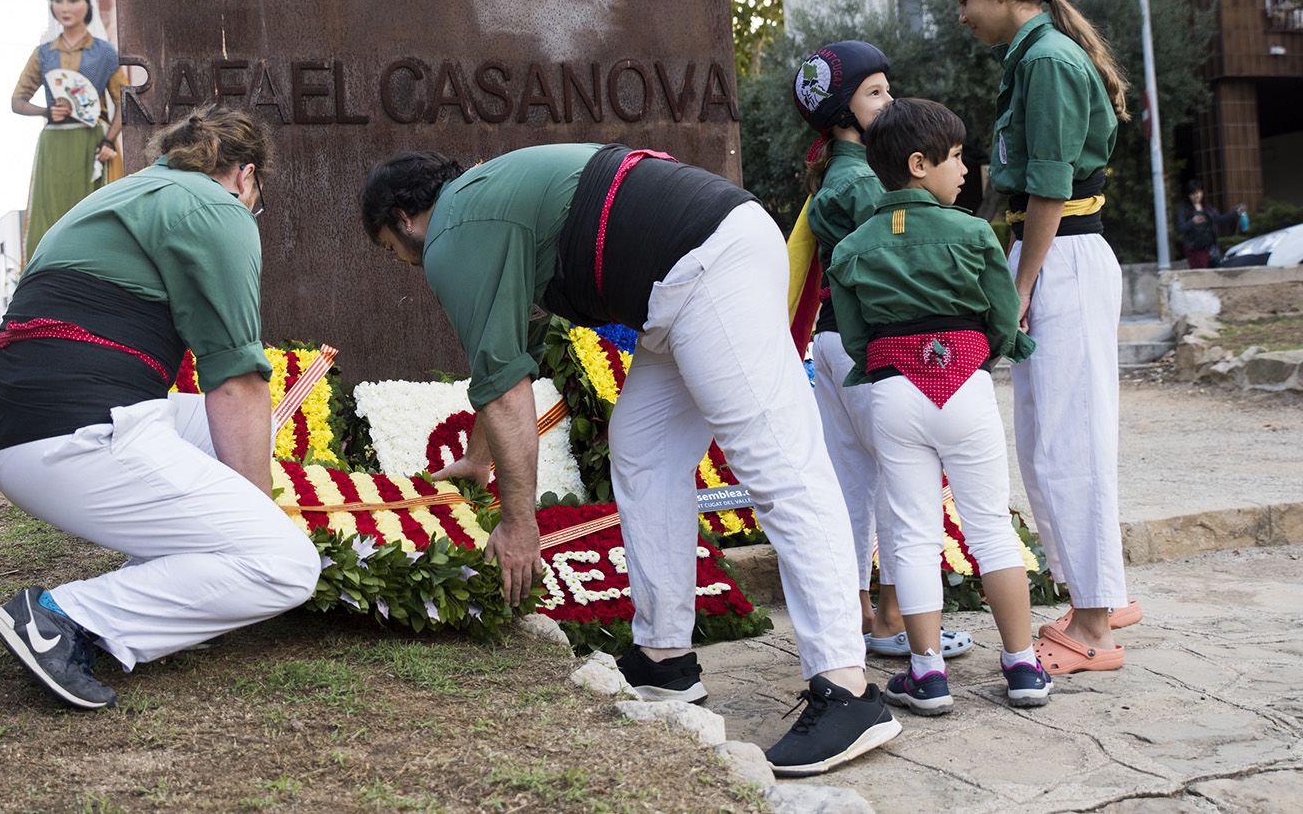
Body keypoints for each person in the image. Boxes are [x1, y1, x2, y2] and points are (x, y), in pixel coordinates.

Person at [360, 146, 900, 777]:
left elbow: (505, 391)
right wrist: (482, 457)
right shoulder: (485, 204)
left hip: (705, 260)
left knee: (781, 470)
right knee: (641, 448)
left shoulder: (453, 234)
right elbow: (510, 361)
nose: (399, 265)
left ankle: (847, 691)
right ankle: (665, 660)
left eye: (387, 250)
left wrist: (519, 523)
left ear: (402, 219)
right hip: (681, 278)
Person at [0, 107, 320, 709]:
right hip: (73, 435)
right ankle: (61, 617)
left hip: (25, 429)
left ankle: (176, 580)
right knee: (286, 566)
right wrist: (256, 517)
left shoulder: (123, 194)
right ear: (245, 174)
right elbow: (236, 378)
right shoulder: (215, 207)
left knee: (218, 432)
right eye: (256, 196)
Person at [950, 0, 1141, 675]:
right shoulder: (1033, 57)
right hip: (1051, 258)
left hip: (1062, 258)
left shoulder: (1050, 62)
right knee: (1047, 440)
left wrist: (1020, 284)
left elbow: (1051, 188)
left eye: (968, 0)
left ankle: (1094, 624)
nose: (963, 15)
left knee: (1070, 441)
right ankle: (1096, 594)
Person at [828, 98, 1050, 714]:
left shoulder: (851, 248)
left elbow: (854, 339)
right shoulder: (975, 232)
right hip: (967, 386)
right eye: (956, 158)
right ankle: (1022, 666)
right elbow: (1003, 315)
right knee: (992, 531)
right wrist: (985, 352)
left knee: (913, 535)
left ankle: (926, 676)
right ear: (920, 163)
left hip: (894, 393)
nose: (965, 169)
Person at [793, 41, 972, 664]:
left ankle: (858, 614)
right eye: (875, 93)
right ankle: (896, 619)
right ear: (842, 115)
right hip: (873, 344)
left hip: (830, 343)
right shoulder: (867, 182)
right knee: (902, 482)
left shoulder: (833, 178)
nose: (889, 99)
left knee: (850, 488)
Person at [11, 0, 124, 264]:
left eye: (72, 0)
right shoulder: (43, 54)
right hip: (55, 144)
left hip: (93, 144)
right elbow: (17, 101)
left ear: (86, 4)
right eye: (57, 0)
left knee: (95, 214)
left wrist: (109, 140)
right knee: (49, 213)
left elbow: (125, 103)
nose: (65, 7)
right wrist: (46, 111)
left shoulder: (104, 52)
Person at [1176, 180, 1241, 269]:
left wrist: (1234, 214)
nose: (1196, 195)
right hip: (1195, 249)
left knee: (1219, 270)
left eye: (1198, 192)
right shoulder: (1184, 209)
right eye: (1193, 193)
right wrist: (1192, 222)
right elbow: (1181, 228)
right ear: (1188, 195)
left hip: (1211, 247)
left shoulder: (1207, 207)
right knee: (1201, 274)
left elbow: (1218, 219)